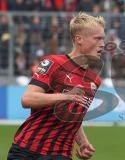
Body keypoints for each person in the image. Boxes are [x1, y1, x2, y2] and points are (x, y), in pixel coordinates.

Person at [7, 12, 105, 160]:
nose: (102, 44)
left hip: (61, 154)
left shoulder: (94, 81)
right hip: (27, 150)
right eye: (97, 39)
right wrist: (66, 96)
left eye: (103, 39)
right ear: (79, 39)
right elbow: (27, 99)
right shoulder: (53, 63)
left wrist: (83, 142)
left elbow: (72, 116)